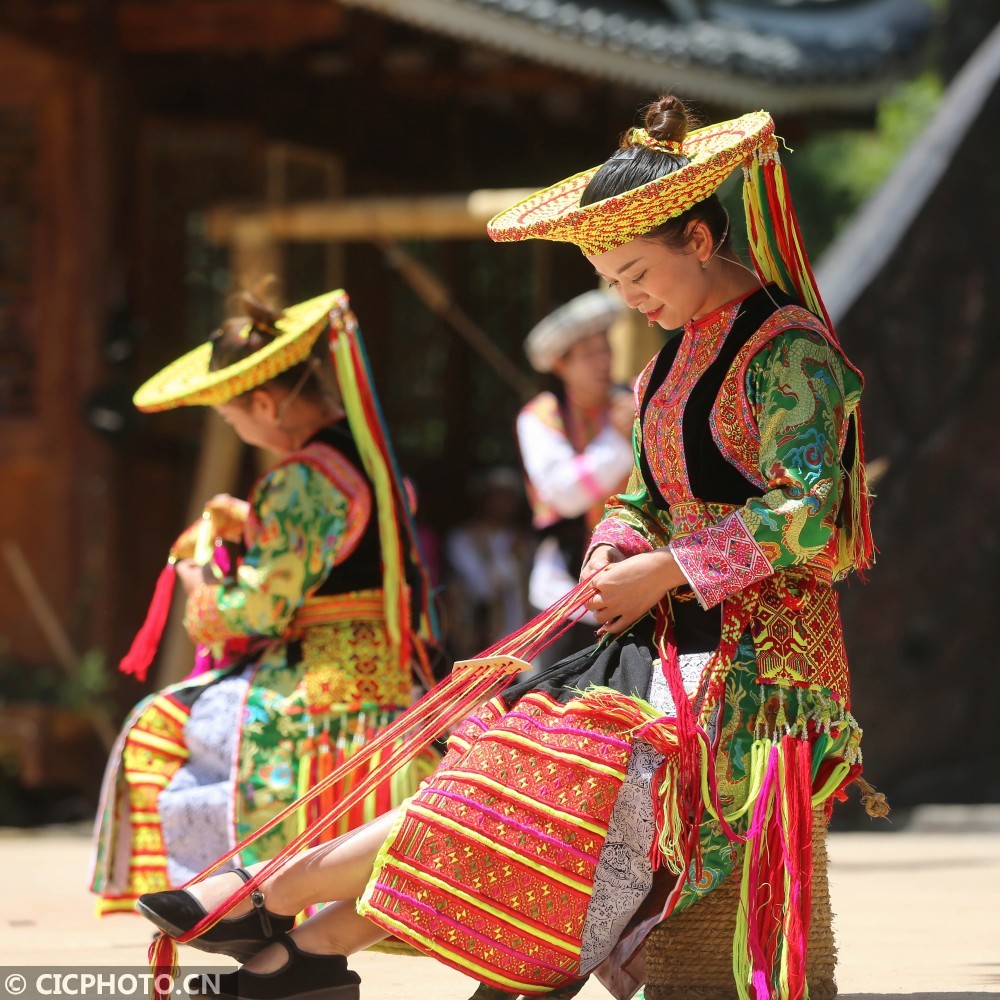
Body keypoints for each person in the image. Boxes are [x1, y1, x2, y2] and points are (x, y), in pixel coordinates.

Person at [134, 96, 877, 1000]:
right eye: (610, 282)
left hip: (764, 654)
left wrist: (670, 566)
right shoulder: (665, 365)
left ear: (697, 238)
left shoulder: (788, 350)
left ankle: (288, 906)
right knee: (503, 757)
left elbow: (811, 509)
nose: (627, 298)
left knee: (549, 783)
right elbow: (643, 498)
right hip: (661, 636)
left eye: (636, 272)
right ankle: (302, 921)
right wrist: (616, 548)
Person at [90, 289, 439, 926]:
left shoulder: (302, 476)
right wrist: (256, 525)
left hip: (315, 682)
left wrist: (196, 581)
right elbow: (334, 550)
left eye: (233, 419)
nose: (238, 429)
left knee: (158, 727)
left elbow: (257, 610)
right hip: (389, 669)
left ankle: (228, 901)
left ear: (264, 403)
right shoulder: (368, 456)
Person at [517, 290, 635, 665]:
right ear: (560, 364)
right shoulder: (539, 417)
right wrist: (617, 441)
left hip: (634, 584)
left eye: (606, 350)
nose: (603, 362)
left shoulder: (632, 402)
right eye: (589, 354)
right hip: (563, 593)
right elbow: (563, 494)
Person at [444, 466, 532, 661]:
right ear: (484, 498)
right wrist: (510, 558)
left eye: (510, 497)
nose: (504, 503)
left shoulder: (524, 540)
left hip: (521, 641)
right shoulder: (463, 539)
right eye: (498, 495)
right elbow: (481, 588)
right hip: (476, 638)